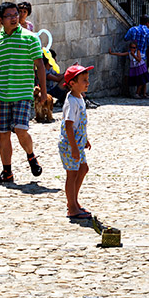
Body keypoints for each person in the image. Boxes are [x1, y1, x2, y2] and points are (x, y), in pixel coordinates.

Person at [0, 2, 47, 184]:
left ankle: (31, 156)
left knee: (21, 129)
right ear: (1, 20)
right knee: (3, 134)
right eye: (9, 16)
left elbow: (40, 65)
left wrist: (43, 92)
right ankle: (7, 172)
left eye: (16, 15)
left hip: (23, 93)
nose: (14, 18)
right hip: (2, 95)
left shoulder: (30, 38)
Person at [58, 65, 94, 219]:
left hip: (78, 143)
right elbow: (68, 125)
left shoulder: (79, 98)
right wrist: (74, 147)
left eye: (87, 79)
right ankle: (72, 207)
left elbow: (79, 123)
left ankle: (74, 201)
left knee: (83, 169)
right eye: (84, 80)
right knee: (72, 174)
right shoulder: (71, 101)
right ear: (72, 83)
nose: (87, 83)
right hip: (69, 144)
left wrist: (84, 139)